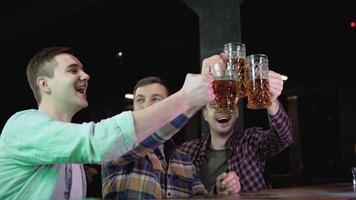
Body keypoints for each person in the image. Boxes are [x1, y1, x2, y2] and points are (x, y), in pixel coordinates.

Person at [0, 46, 215, 200]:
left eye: (83, 69)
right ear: (44, 84)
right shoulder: (22, 125)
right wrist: (186, 99)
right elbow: (100, 141)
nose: (86, 75)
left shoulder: (72, 159)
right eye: (73, 70)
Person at [101, 76, 241, 199]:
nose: (147, 106)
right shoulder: (117, 143)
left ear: (169, 106)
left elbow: (200, 197)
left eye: (156, 99)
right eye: (140, 100)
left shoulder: (183, 159)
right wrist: (190, 102)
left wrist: (218, 191)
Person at [178, 54, 294, 192]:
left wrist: (271, 100)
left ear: (237, 112)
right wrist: (216, 192)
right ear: (205, 115)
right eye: (214, 106)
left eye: (229, 105)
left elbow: (285, 137)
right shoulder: (187, 152)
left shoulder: (251, 141)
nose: (223, 109)